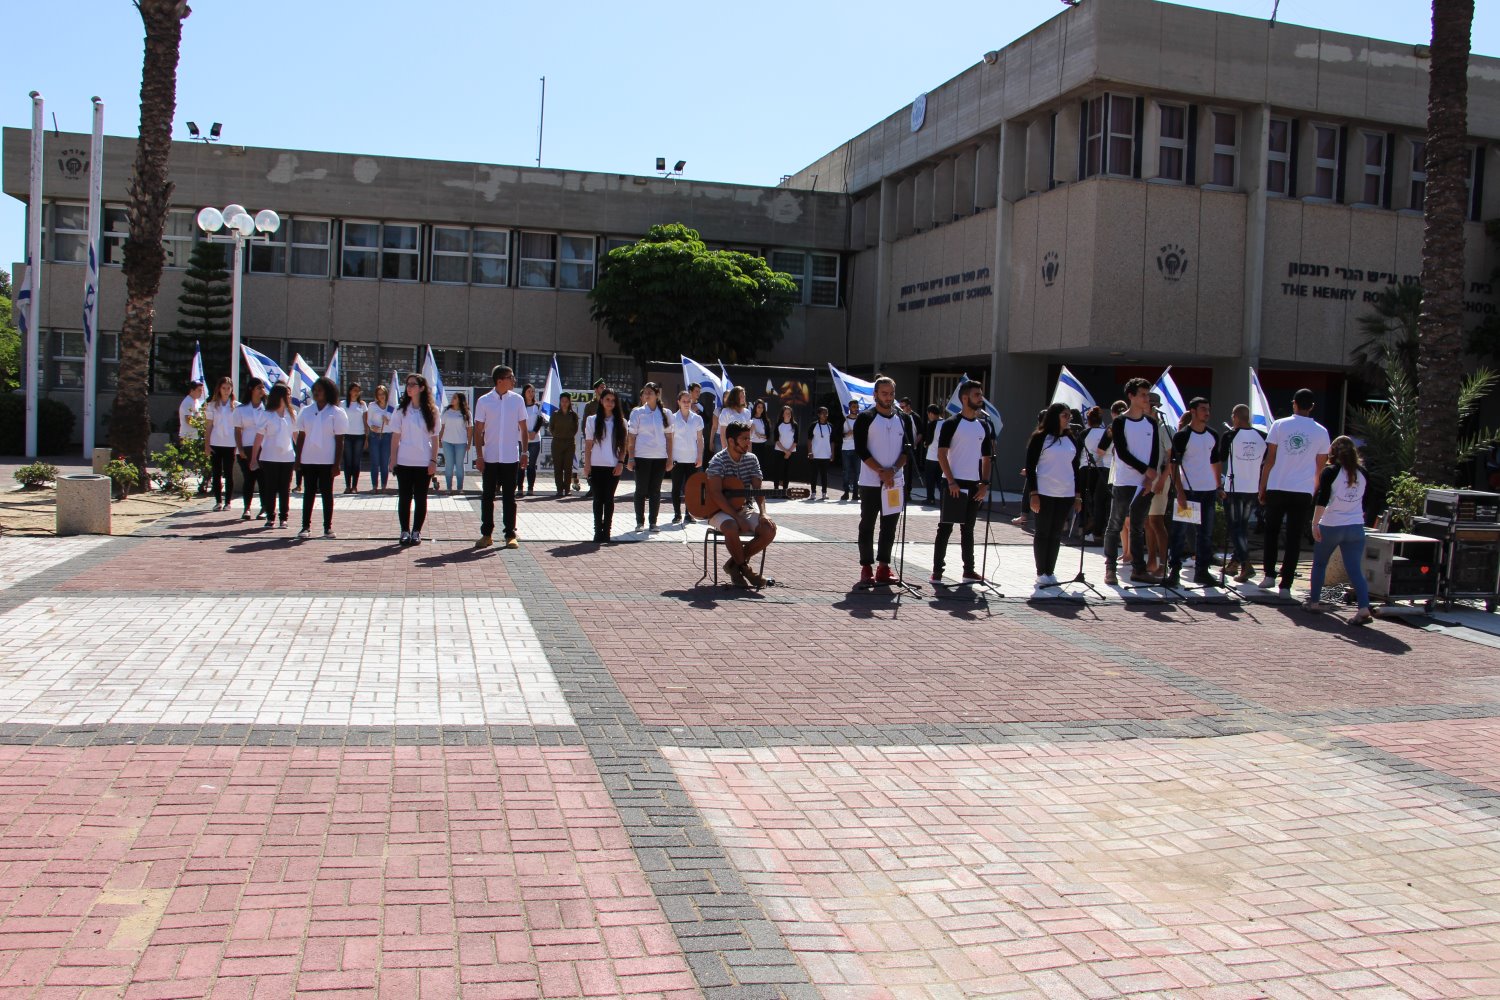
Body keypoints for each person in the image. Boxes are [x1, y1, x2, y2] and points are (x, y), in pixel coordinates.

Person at [1257, 388, 1331, 592]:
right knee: (1294, 537)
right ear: (1312, 406)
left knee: (1271, 532)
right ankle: (1286, 584)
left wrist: (1262, 486)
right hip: (1303, 490)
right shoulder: (1321, 431)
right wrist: (1313, 490)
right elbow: (1321, 466)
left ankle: (1269, 575)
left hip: (1277, 486)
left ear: (1294, 403)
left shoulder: (1279, 425)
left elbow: (1269, 459)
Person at [1305, 436, 1375, 624]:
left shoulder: (1330, 472)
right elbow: (1367, 500)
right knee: (1355, 570)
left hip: (1332, 524)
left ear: (1333, 452)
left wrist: (1315, 523)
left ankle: (1314, 602)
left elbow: (1322, 499)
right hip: (1355, 526)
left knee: (1320, 564)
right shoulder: (1363, 473)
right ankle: (1363, 608)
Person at [931, 380, 995, 585]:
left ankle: (969, 570)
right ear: (965, 398)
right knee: (945, 528)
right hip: (953, 483)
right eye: (977, 395)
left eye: (981, 394)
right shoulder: (951, 423)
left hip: (974, 483)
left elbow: (987, 457)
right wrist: (951, 481)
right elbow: (941, 454)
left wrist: (984, 483)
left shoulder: (983, 425)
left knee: (968, 529)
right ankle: (937, 572)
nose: (981, 398)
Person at [1100, 378, 1162, 586]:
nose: (1146, 398)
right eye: (1143, 395)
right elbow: (1122, 452)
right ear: (1131, 396)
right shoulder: (1120, 422)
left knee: (1137, 527)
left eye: (1148, 394)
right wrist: (1145, 470)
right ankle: (1110, 568)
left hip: (1144, 483)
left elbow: (1154, 452)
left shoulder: (1151, 423)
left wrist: (1149, 477)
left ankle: (1138, 569)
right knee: (1115, 524)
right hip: (1124, 481)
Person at [854, 376, 911, 587]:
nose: (888, 397)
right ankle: (866, 568)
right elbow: (861, 449)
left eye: (891, 393)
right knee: (867, 525)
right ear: (875, 395)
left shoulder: (903, 419)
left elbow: (907, 450)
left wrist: (893, 471)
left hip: (894, 483)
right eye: (884, 393)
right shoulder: (865, 418)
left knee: (890, 526)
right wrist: (880, 471)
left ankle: (884, 567)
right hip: (870, 482)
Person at [705, 421, 777, 588]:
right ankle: (746, 570)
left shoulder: (752, 459)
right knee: (731, 526)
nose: (748, 442)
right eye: (744, 439)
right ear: (731, 441)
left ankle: (733, 565)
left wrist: (763, 513)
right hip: (718, 509)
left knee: (769, 529)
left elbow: (758, 490)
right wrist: (737, 518)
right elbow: (715, 493)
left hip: (744, 507)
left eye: (749, 438)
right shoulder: (718, 460)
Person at [1165, 397, 1224, 588]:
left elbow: (1215, 461)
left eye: (1208, 409)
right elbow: (1174, 466)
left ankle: (1202, 571)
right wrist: (1180, 492)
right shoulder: (1182, 435)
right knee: (1180, 533)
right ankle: (1174, 571)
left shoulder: (1213, 434)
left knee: (1205, 534)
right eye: (1203, 409)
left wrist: (1218, 486)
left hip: (1208, 491)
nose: (1207, 413)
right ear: (1193, 411)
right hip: (1189, 491)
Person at [1022, 402, 1081, 587]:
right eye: (1065, 415)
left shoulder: (1071, 438)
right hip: (1044, 492)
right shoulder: (1040, 437)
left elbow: (1076, 467)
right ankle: (1041, 572)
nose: (1068, 419)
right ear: (1055, 416)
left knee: (1056, 533)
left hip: (1066, 493)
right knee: (1043, 532)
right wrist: (1033, 493)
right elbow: (1030, 467)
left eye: (1070, 416)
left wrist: (1077, 495)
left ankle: (1050, 571)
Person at [473, 365, 530, 549]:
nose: (514, 380)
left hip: (510, 457)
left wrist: (524, 452)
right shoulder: (484, 401)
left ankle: (510, 534)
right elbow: (478, 431)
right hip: (490, 456)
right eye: (510, 377)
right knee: (487, 496)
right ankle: (486, 534)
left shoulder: (517, 400)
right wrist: (479, 456)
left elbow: (523, 428)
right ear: (500, 381)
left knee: (509, 497)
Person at [293, 376, 348, 539]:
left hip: (327, 460)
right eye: (315, 390)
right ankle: (305, 526)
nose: (316, 393)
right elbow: (301, 436)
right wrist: (298, 459)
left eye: (320, 390)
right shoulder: (306, 411)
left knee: (326, 493)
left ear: (328, 392)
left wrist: (336, 464)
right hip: (308, 458)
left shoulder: (336, 412)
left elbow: (339, 440)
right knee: (308, 493)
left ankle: (327, 527)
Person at [391, 373, 440, 546]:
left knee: (421, 498)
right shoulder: (400, 410)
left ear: (422, 388)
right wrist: (393, 459)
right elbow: (395, 437)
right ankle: (404, 531)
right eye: (408, 384)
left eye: (413, 384)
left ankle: (416, 531)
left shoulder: (432, 411)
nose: (409, 387)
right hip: (404, 460)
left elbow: (435, 438)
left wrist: (433, 461)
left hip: (423, 461)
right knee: (404, 497)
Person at [1220, 404, 1267, 583]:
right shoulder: (1262, 437)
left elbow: (1221, 457)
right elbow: (1265, 461)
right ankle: (1234, 563)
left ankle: (1246, 564)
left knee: (1235, 527)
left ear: (1235, 417)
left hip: (1234, 487)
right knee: (1242, 527)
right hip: (1252, 488)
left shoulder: (1230, 436)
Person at [249, 383, 296, 530]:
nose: (289, 397)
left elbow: (296, 436)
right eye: (287, 395)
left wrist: (302, 454)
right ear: (279, 396)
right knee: (270, 487)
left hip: (287, 457)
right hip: (269, 457)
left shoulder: (292, 414)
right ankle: (270, 516)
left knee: (285, 488)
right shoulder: (266, 414)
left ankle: (284, 518)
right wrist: (253, 458)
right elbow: (258, 438)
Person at [583, 388, 627, 543]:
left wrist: (620, 463)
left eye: (613, 400)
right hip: (596, 465)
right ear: (601, 401)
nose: (610, 403)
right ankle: (597, 531)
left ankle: (607, 530)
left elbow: (623, 446)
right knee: (597, 499)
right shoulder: (592, 420)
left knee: (609, 499)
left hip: (613, 466)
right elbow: (588, 445)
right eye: (607, 399)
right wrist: (587, 465)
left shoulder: (621, 422)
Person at [626, 381, 671, 531]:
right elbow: (631, 437)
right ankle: (640, 522)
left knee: (655, 491)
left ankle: (653, 522)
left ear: (657, 395)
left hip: (660, 457)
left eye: (650, 392)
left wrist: (670, 458)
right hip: (641, 456)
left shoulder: (666, 413)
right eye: (645, 392)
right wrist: (631, 457)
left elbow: (669, 438)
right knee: (641, 490)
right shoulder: (637, 412)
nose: (647, 395)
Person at [202, 377, 239, 512]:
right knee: (216, 473)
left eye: (228, 388)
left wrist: (239, 445)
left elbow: (238, 427)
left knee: (228, 473)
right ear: (219, 389)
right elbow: (209, 426)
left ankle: (228, 502)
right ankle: (218, 501)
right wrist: (207, 444)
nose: (226, 391)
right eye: (223, 388)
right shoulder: (212, 406)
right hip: (216, 442)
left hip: (230, 443)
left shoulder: (236, 406)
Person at [668, 390, 705, 522]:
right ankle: (677, 514)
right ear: (678, 402)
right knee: (676, 488)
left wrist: (700, 456)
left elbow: (700, 439)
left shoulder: (697, 419)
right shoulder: (672, 418)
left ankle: (689, 514)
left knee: (691, 489)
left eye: (688, 401)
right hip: (677, 459)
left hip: (692, 459)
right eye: (683, 401)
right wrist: (669, 458)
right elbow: (670, 439)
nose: (686, 403)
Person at [233, 378, 267, 521]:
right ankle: (247, 508)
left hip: (263, 449)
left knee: (263, 479)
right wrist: (240, 449)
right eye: (259, 387)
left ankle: (264, 508)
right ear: (251, 389)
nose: (262, 390)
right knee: (249, 479)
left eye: (263, 387)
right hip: (246, 448)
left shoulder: (267, 409)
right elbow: (237, 430)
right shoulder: (241, 409)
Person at [1081, 406, 1109, 543]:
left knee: (1086, 499)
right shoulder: (1106, 433)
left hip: (1086, 468)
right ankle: (1098, 526)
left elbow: (1078, 452)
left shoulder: (1085, 433)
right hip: (1101, 469)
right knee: (1100, 501)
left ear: (1088, 420)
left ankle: (1084, 525)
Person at [439, 393, 472, 494]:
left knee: (459, 465)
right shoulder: (446, 411)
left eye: (455, 398)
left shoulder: (466, 413)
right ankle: (449, 488)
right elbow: (442, 427)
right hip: (447, 442)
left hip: (461, 443)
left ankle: (460, 488)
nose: (452, 399)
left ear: (460, 400)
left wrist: (469, 443)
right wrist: (439, 439)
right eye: (452, 397)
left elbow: (469, 429)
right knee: (449, 465)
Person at [550, 393, 579, 496]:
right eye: (562, 401)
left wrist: (568, 436)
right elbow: (551, 428)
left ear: (569, 402)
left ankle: (567, 489)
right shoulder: (555, 414)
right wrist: (557, 435)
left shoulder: (573, 415)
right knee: (558, 468)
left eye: (566, 401)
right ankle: (559, 489)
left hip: (569, 443)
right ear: (560, 402)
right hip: (557, 442)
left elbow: (575, 429)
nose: (564, 403)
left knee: (568, 467)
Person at [342, 383, 368, 494]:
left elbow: (365, 421)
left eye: (358, 390)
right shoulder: (342, 404)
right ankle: (347, 485)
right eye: (354, 390)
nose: (356, 393)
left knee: (356, 462)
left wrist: (366, 438)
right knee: (348, 462)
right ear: (350, 391)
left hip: (359, 436)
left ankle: (354, 486)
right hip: (347, 435)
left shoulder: (362, 405)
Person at [366, 384, 393, 493]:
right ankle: (374, 486)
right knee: (375, 462)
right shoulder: (372, 406)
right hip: (375, 435)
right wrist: (371, 426)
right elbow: (369, 420)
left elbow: (395, 423)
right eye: (379, 394)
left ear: (386, 394)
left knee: (384, 462)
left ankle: (384, 486)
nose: (381, 396)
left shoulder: (391, 407)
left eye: (383, 394)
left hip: (387, 435)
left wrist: (388, 421)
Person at [899, 398, 924, 501]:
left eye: (903, 407)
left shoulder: (915, 417)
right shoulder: (899, 416)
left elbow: (920, 433)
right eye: (900, 407)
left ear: (908, 406)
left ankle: (907, 492)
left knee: (908, 471)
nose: (901, 409)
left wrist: (914, 444)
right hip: (900, 448)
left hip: (910, 448)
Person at [522, 383, 544, 496]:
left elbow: (540, 420)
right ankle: (519, 488)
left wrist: (534, 432)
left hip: (535, 440)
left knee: (531, 465)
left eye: (532, 391)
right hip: (522, 440)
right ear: (524, 393)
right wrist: (526, 433)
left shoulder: (537, 406)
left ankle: (530, 488)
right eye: (529, 391)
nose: (531, 394)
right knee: (521, 465)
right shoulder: (521, 406)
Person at [807, 406, 834, 500]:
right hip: (815, 454)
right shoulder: (813, 425)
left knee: (824, 475)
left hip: (826, 455)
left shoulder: (830, 426)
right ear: (819, 414)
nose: (825, 415)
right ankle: (813, 493)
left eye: (827, 413)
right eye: (823, 413)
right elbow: (809, 440)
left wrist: (832, 453)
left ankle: (824, 493)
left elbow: (832, 441)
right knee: (814, 475)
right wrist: (810, 452)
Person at [713, 386, 750, 452]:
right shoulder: (726, 412)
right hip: (730, 449)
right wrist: (725, 451)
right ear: (735, 397)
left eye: (744, 396)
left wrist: (749, 451)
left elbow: (748, 434)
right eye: (741, 396)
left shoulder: (747, 412)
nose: (743, 398)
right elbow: (723, 433)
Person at [772, 404, 799, 493]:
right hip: (779, 450)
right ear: (783, 414)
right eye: (786, 413)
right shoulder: (778, 425)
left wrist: (789, 452)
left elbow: (796, 441)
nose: (788, 414)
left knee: (787, 471)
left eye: (789, 413)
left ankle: (785, 491)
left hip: (790, 452)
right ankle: (776, 490)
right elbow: (776, 440)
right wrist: (785, 451)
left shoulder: (794, 425)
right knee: (777, 470)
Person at [839, 400, 861, 501]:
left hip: (858, 449)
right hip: (846, 449)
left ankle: (855, 493)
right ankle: (846, 492)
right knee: (846, 472)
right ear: (849, 408)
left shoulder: (860, 420)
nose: (856, 409)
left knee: (857, 472)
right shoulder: (844, 419)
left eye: (857, 407)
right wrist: (847, 434)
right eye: (853, 407)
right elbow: (837, 434)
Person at [922, 404, 944, 504]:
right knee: (940, 480)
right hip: (943, 457)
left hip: (931, 456)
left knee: (930, 479)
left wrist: (925, 444)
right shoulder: (946, 423)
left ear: (931, 413)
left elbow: (928, 441)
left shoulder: (932, 424)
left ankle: (930, 498)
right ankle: (944, 498)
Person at [747, 399, 771, 469]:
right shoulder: (750, 419)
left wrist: (759, 435)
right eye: (759, 407)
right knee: (752, 465)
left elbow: (768, 436)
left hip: (762, 446)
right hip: (752, 446)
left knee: (761, 465)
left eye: (762, 407)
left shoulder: (765, 420)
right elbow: (747, 434)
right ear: (755, 408)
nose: (760, 409)